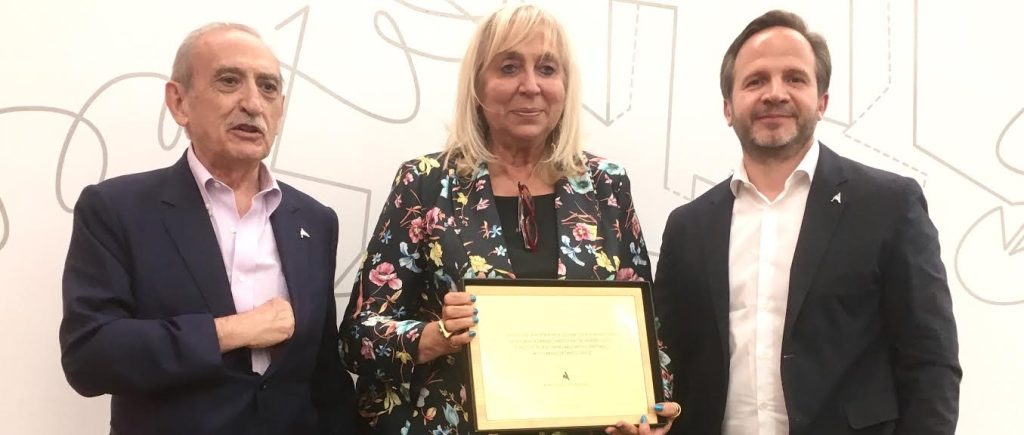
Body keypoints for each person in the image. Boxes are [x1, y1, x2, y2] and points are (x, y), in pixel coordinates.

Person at [339, 4, 679, 434]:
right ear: (478, 87)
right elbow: (357, 337)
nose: (531, 85)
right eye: (509, 67)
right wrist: (432, 336)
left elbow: (646, 332)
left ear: (565, 86)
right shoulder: (424, 183)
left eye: (547, 69)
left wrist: (651, 410)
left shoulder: (606, 185)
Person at [654, 9, 961, 435]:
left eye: (795, 79)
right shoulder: (688, 228)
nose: (775, 93)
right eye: (755, 81)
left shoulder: (890, 206)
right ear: (728, 107)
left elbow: (931, 362)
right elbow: (665, 361)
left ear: (822, 101)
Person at [59, 23, 356, 435]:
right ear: (179, 102)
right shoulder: (117, 209)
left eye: (268, 87)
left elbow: (325, 377)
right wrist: (230, 332)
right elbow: (89, 356)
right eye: (229, 81)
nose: (252, 102)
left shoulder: (314, 220)